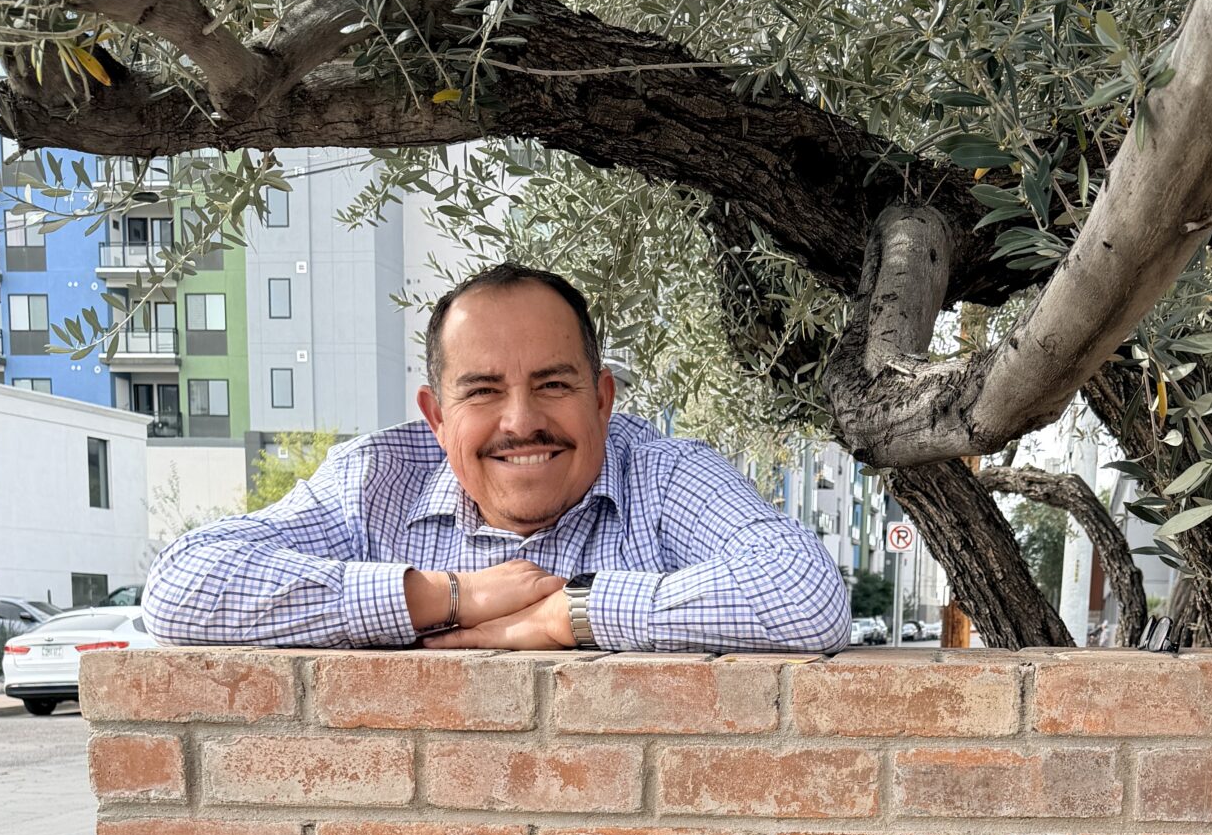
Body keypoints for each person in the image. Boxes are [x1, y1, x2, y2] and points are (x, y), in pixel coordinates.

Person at [143, 265, 851, 654]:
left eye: (553, 384)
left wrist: (566, 615)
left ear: (602, 399)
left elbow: (805, 596)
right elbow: (181, 589)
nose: (521, 421)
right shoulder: (373, 481)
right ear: (436, 416)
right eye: (482, 391)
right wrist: (448, 597)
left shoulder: (664, 476)